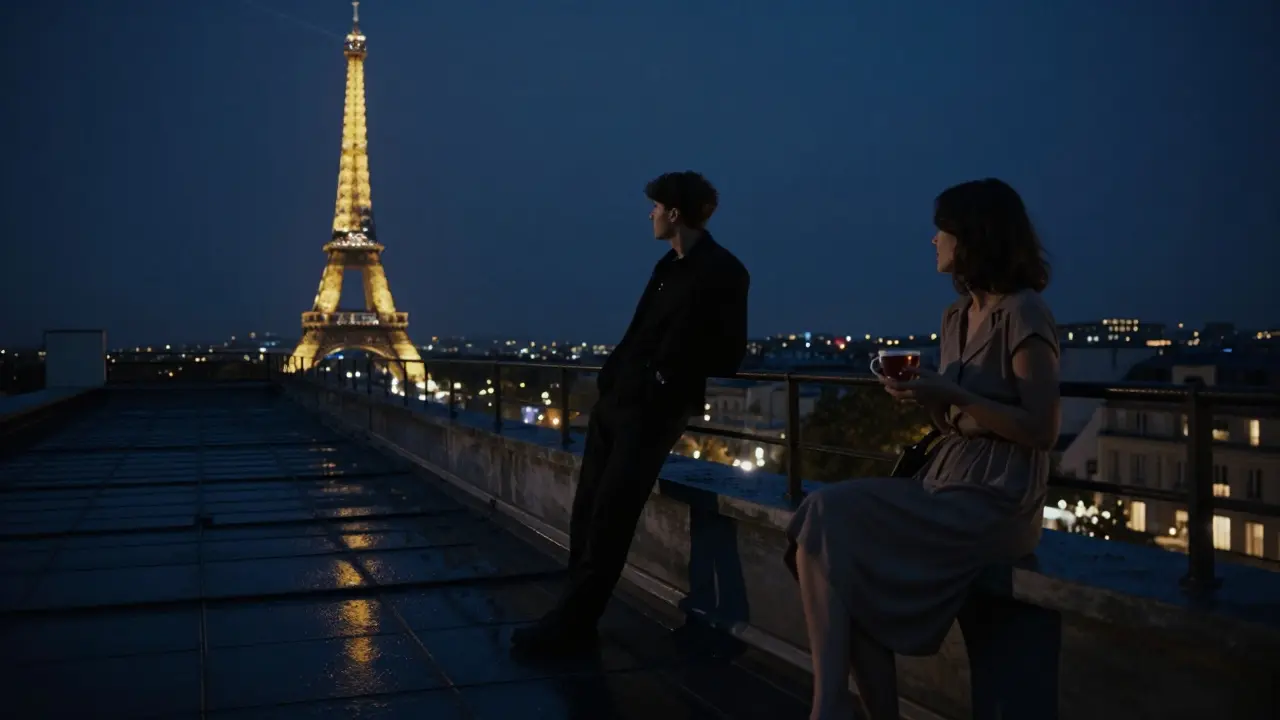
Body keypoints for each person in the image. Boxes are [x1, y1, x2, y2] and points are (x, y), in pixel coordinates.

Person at [785, 178, 1060, 720]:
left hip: (997, 497)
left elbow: (1041, 429)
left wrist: (951, 391)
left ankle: (831, 705)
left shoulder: (1024, 313)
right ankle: (840, 704)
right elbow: (955, 419)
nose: (933, 240)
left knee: (827, 517)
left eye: (943, 230)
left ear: (972, 236)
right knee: (838, 556)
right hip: (946, 480)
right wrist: (925, 399)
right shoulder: (955, 317)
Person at [511, 171, 751, 658]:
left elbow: (729, 353)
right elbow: (639, 330)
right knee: (587, 513)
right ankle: (571, 616)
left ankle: (574, 624)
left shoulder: (724, 271)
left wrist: (664, 378)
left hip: (654, 410)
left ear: (675, 213)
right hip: (619, 403)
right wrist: (615, 381)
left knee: (611, 518)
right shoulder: (668, 266)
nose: (651, 214)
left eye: (656, 207)